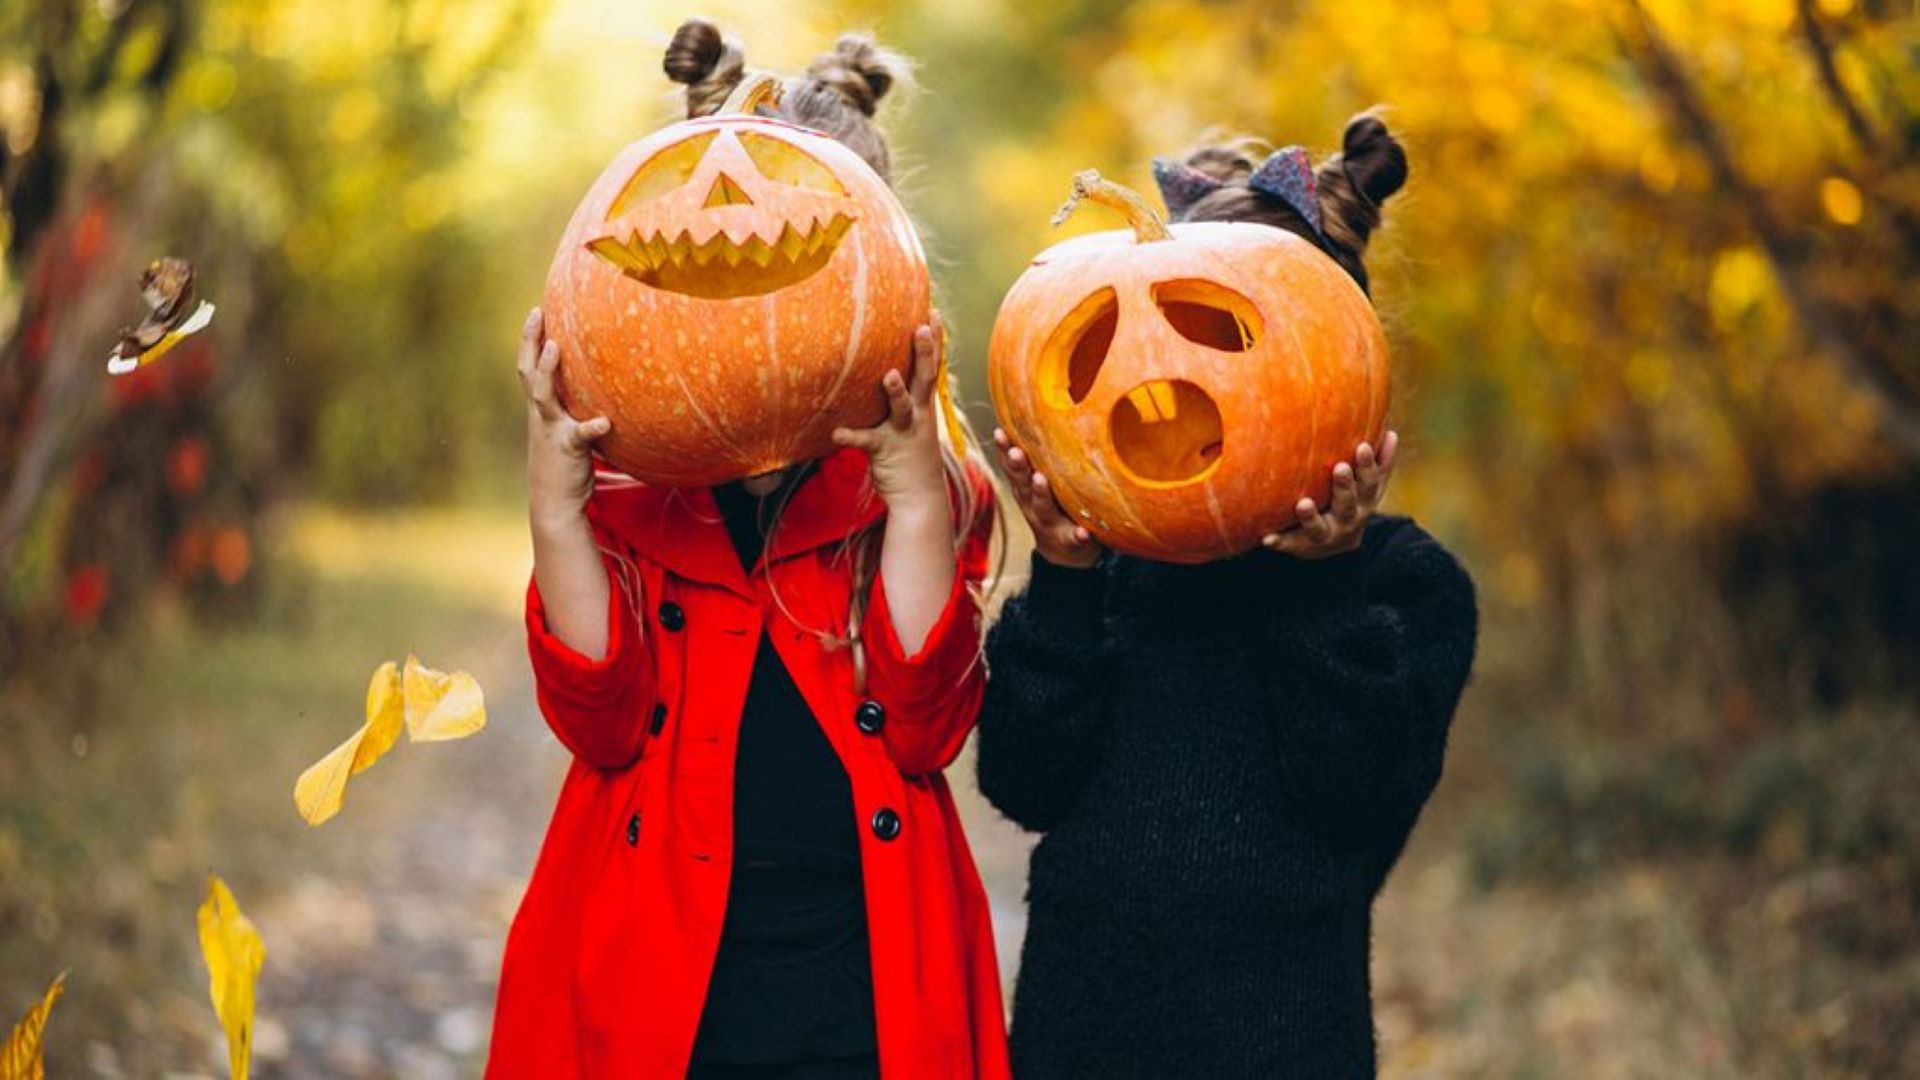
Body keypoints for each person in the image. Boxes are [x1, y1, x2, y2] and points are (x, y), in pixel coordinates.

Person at [486, 20, 1009, 1080]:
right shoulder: (636, 492)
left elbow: (925, 731)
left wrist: (914, 501)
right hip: (661, 977)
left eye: (811, 267)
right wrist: (558, 510)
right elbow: (601, 721)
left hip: (858, 986)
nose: (773, 309)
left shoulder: (921, 492)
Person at [976, 114, 1479, 1078]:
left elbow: (1358, 798)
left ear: (1336, 361)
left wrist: (1323, 584)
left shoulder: (1405, 584)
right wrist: (1066, 579)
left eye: (1227, 340)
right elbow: (1023, 783)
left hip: (1283, 1044)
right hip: (1078, 1041)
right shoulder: (1112, 563)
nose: (1179, 376)